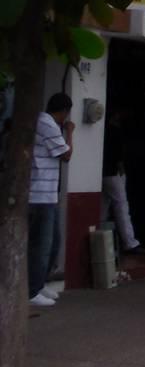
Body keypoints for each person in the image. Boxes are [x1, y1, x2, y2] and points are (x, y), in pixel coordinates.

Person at [28, 92, 75, 307]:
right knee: (43, 244)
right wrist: (70, 133)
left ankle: (40, 282)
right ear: (64, 112)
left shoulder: (45, 123)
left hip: (48, 193)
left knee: (53, 242)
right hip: (39, 194)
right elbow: (65, 155)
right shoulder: (46, 123)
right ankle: (32, 290)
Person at [101, 104, 140, 255]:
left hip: (103, 173)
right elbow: (119, 157)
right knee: (121, 206)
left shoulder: (103, 130)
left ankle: (101, 236)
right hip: (114, 173)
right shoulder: (115, 132)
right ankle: (130, 242)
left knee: (103, 206)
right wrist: (123, 174)